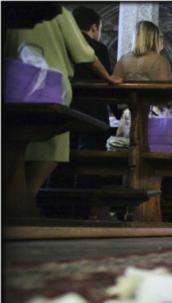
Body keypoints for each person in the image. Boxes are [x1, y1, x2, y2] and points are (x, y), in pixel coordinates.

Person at [4, 4, 121, 215]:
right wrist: (109, 77)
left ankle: (20, 202)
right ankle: (25, 202)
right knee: (51, 151)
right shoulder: (57, 13)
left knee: (15, 150)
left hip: (11, 85)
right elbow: (86, 53)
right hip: (48, 89)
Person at [70, 6, 115, 150]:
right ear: (94, 27)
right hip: (93, 114)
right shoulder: (98, 48)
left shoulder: (64, 46)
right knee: (92, 154)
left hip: (67, 108)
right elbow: (108, 84)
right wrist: (118, 112)